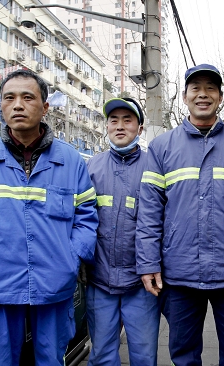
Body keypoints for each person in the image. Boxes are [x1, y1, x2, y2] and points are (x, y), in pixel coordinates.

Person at [0, 69, 99, 366]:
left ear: (45, 107)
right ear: (1, 105)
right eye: (9, 98)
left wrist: (71, 257)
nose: (18, 105)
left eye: (28, 97)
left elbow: (87, 218)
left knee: (51, 358)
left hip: (54, 282)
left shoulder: (70, 160)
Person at [136, 63, 224, 366]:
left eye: (210, 88)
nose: (203, 94)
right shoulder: (161, 148)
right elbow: (149, 213)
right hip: (179, 273)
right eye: (195, 88)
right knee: (184, 356)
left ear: (220, 97)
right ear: (184, 96)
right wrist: (148, 263)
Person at [85, 97, 159, 366]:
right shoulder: (90, 168)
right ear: (106, 126)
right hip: (99, 281)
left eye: (127, 120)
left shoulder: (154, 167)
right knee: (102, 355)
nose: (119, 126)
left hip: (142, 283)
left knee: (144, 356)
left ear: (140, 128)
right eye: (113, 120)